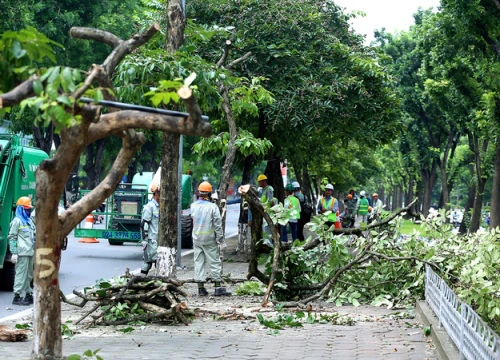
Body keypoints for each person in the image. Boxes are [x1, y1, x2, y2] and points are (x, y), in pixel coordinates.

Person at [191, 181, 231, 297]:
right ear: (209, 194)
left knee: (199, 262)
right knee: (214, 261)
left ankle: (201, 289)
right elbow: (218, 226)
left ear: (199, 193)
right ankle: (218, 287)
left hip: (197, 238)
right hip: (209, 239)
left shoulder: (193, 206)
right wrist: (222, 242)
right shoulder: (213, 207)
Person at [9, 197, 36, 306]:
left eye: (29, 209)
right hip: (22, 253)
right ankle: (17, 296)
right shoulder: (17, 222)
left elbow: (34, 235)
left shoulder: (29, 221)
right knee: (21, 275)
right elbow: (12, 237)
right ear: (20, 209)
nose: (28, 211)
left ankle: (29, 294)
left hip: (30, 252)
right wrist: (14, 252)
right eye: (26, 209)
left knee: (29, 275)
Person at [140, 185, 160, 275]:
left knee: (153, 262)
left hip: (158, 240)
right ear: (156, 193)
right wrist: (144, 240)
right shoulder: (149, 207)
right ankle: (140, 282)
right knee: (150, 262)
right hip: (151, 241)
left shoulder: (160, 207)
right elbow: (144, 224)